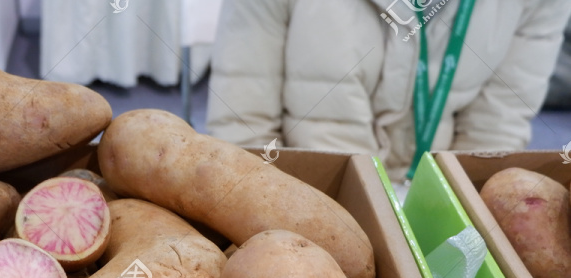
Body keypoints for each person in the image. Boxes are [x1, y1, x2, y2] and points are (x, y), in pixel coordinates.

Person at [206, 0, 571, 181]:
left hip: (433, 198)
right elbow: (243, 125)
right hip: (306, 190)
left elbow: (496, 131)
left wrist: (454, 221)